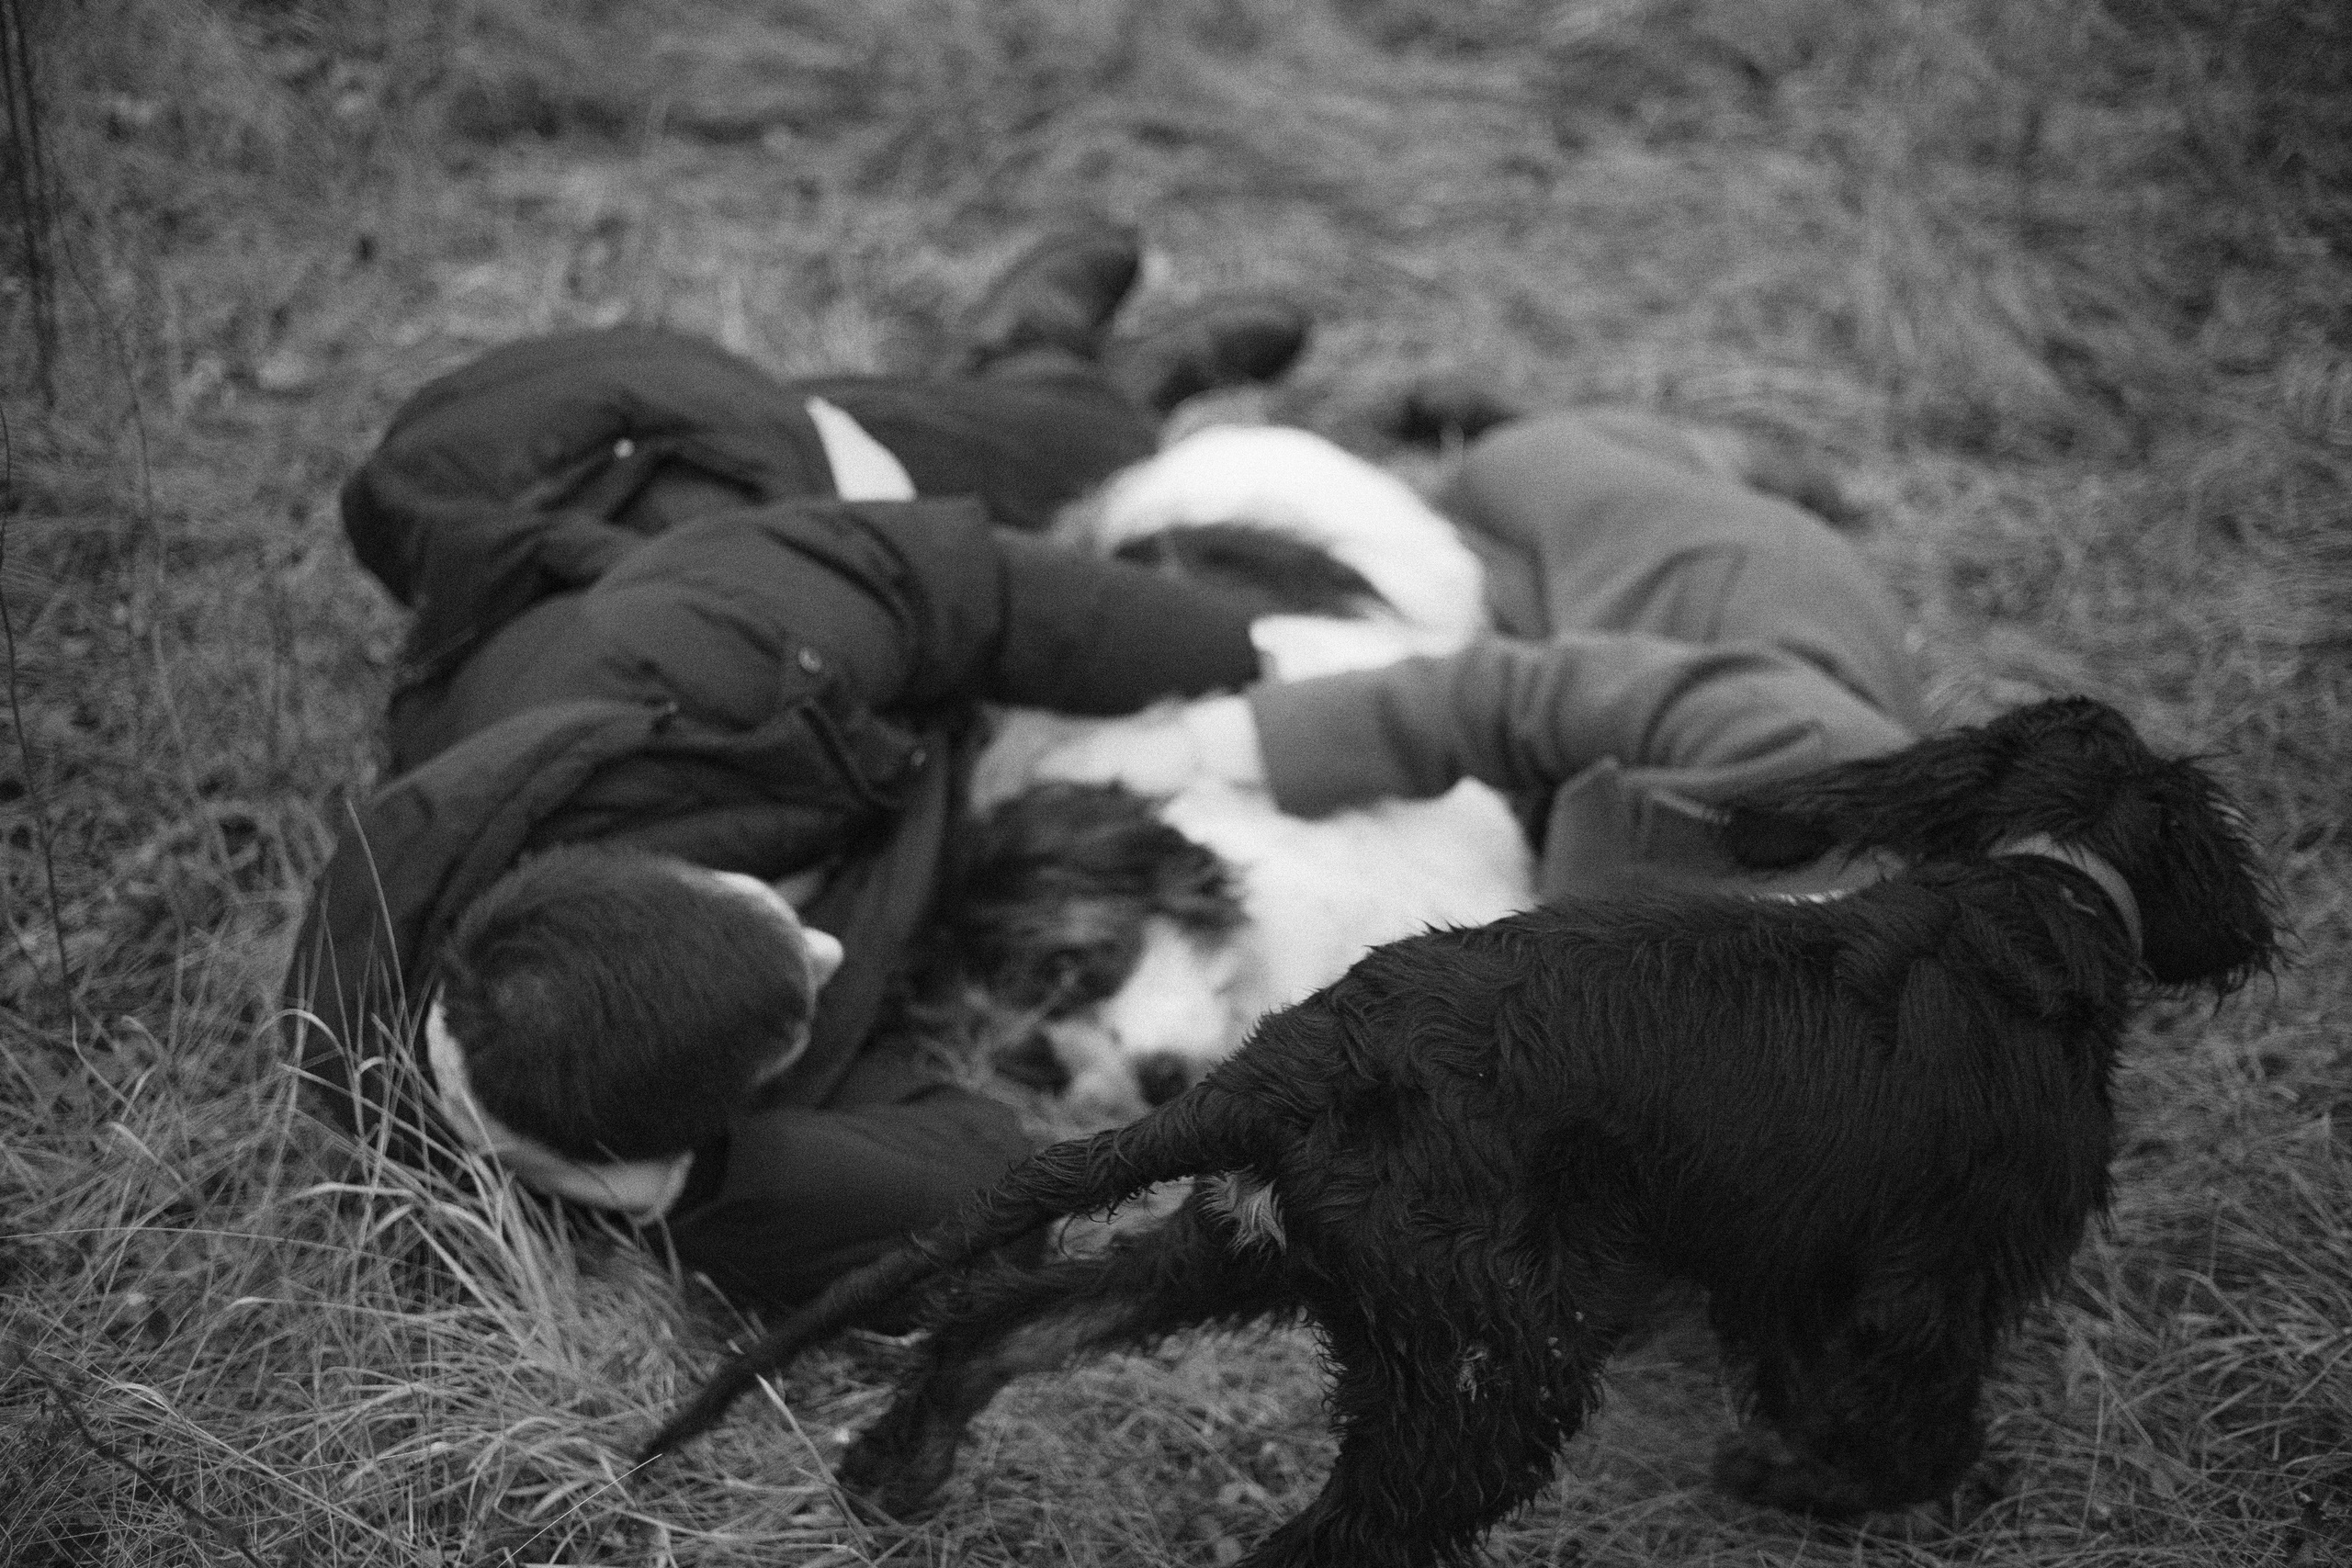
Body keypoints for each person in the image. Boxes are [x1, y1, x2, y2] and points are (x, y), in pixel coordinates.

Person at [285, 224, 1310, 1307]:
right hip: (856, 686)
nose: (826, 949)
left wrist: (1256, 657)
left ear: (650, 876)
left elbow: (968, 591)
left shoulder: (699, 669)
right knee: (1019, 457)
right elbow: (998, 1196)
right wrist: (689, 1190)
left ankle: (1081, 373)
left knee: (1074, 462)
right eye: (794, 1015)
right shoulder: (640, 1087)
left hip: (728, 491)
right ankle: (1030, 363)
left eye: (765, 918)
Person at [1042, 402, 1928, 903]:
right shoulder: (1811, 762)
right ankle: (1727, 453)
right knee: (1521, 466)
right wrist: (1224, 743)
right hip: (1684, 585)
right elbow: (1508, 700)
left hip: (1591, 665)